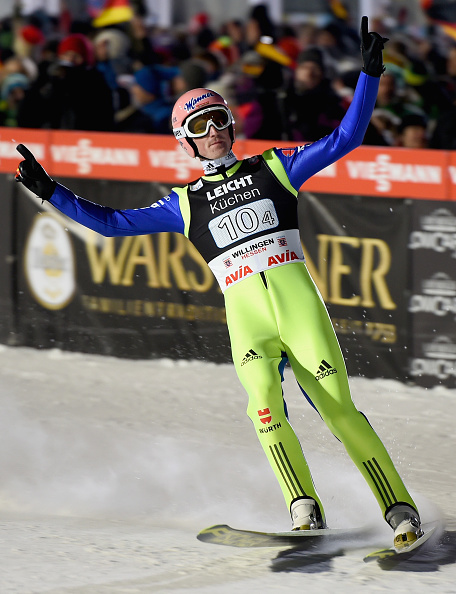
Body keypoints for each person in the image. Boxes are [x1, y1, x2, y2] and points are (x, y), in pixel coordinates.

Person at [15, 18, 423, 549]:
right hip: (247, 322)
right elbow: (113, 224)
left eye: (220, 121)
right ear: (187, 142)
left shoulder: (276, 167)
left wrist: (369, 74)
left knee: (338, 408)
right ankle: (302, 506)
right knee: (263, 410)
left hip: (299, 311)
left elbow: (347, 137)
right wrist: (52, 192)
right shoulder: (182, 203)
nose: (215, 133)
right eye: (202, 127)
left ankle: (398, 508)